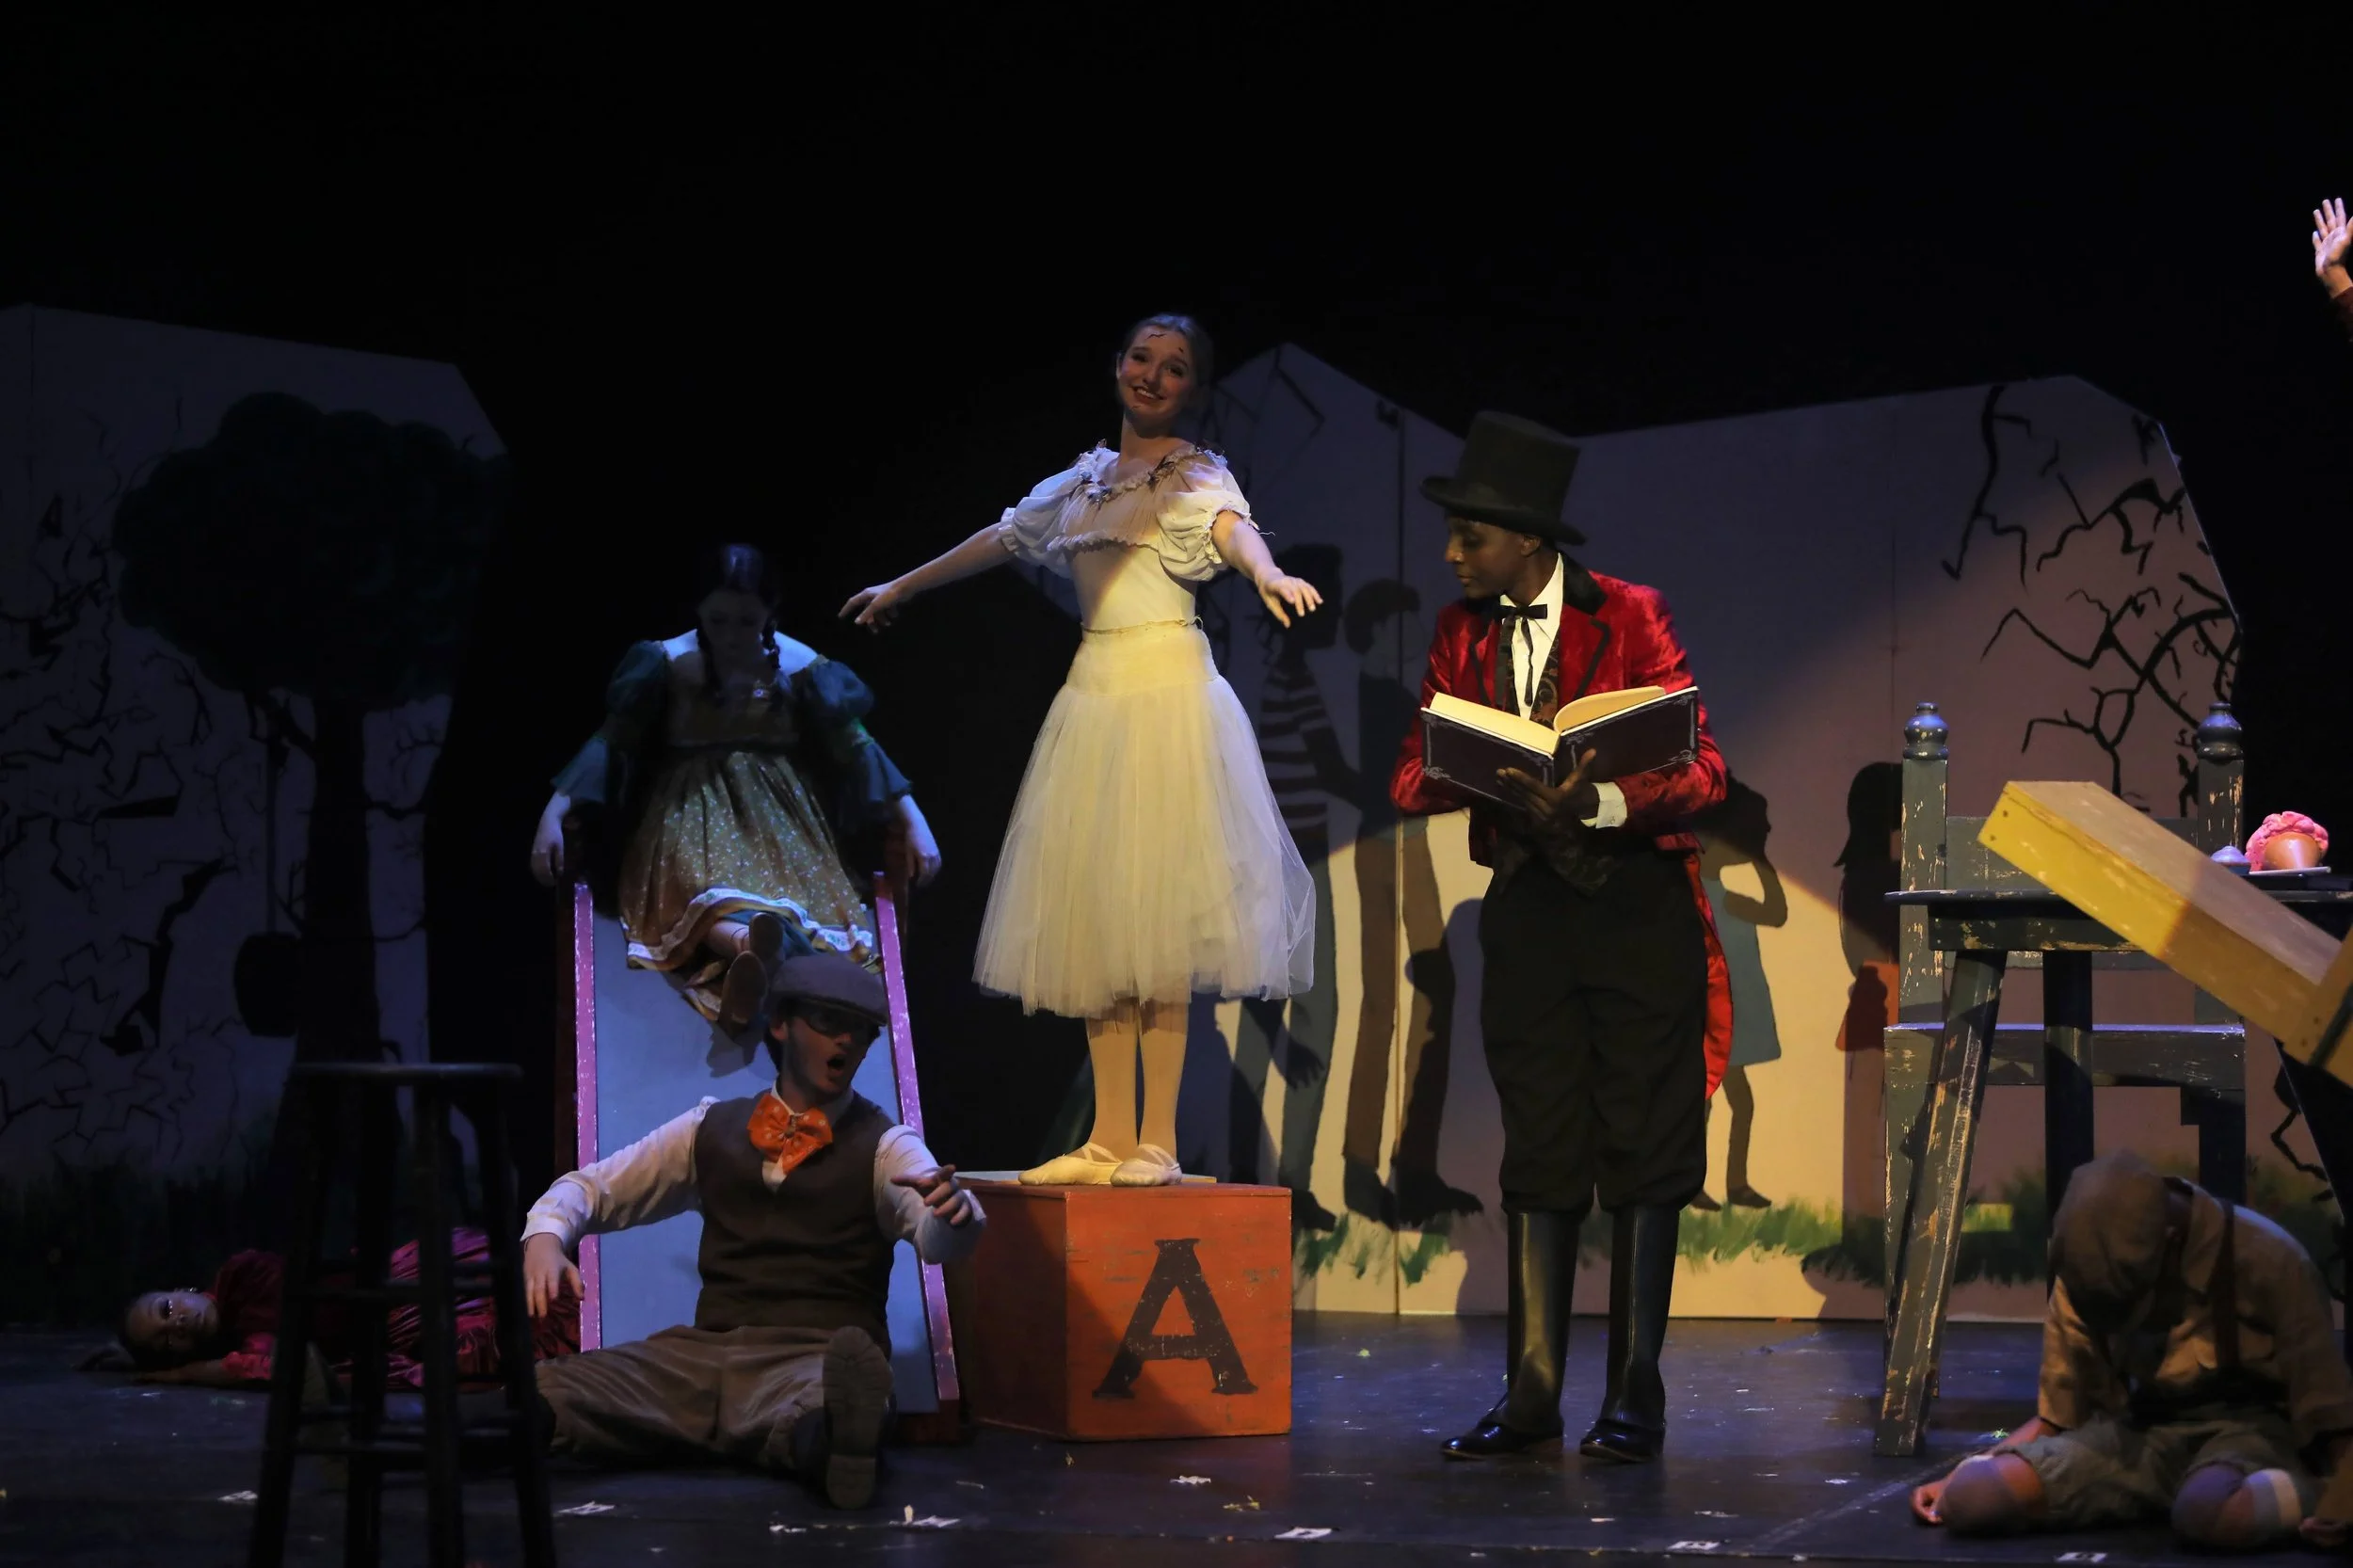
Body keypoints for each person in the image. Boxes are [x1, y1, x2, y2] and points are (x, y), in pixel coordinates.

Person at [840, 313, 1320, 1188]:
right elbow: (1003, 537)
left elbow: (1229, 529)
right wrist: (904, 584)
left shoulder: (1193, 474)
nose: (1152, 375)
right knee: (1102, 924)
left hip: (1167, 699)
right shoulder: (1085, 479)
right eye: (1142, 358)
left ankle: (1157, 1140)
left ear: (1194, 388)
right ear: (1117, 365)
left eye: (1174, 367)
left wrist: (1267, 573)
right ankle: (1108, 1135)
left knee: (1159, 926)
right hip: (1094, 699)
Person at [1389, 411, 1732, 1464]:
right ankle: (1532, 1390)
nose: (1453, 555)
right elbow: (1409, 775)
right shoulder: (1461, 633)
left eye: (1471, 536)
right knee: (1540, 1141)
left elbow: (1704, 771)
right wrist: (1483, 771)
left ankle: (1635, 1395)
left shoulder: (1629, 613)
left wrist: (1600, 800)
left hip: (1634, 905)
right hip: (1531, 908)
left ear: (1528, 539)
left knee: (1645, 1141)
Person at [517, 952, 981, 1510]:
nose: (847, 1041)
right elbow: (594, 1188)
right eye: (829, 1022)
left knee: (821, 1402)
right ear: (781, 1024)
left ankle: (836, 1446)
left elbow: (936, 1235)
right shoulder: (710, 1127)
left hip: (808, 1358)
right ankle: (463, 1429)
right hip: (702, 1357)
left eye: (861, 1031)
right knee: (561, 1387)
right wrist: (546, 1237)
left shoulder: (887, 1145)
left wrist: (954, 1215)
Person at [531, 544, 939, 1034]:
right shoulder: (668, 661)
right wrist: (554, 811)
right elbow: (612, 742)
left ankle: (755, 962)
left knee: (791, 906)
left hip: (781, 820)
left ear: (769, 613)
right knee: (702, 886)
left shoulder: (799, 665)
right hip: (690, 809)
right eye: (718, 620)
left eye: (746, 622)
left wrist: (913, 821)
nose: (730, 634)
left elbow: (857, 747)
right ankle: (751, 949)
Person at [1912, 1149, 2353, 1553]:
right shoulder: (2085, 1266)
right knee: (1973, 1496)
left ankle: (2303, 1493)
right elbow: (2060, 1416)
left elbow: (2328, 1417)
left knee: (2210, 1511)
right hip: (2138, 1439)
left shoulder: (2268, 1259)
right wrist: (1964, 1473)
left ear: (2171, 1241)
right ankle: (2170, 1496)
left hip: (2248, 1436)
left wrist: (2343, 1500)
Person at [102, 1226, 578, 1388]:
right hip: (400, 1332)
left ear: (180, 1289)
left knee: (536, 1300)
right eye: (167, 1340)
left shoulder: (241, 1274)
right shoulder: (236, 1343)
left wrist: (184, 1372)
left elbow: (277, 1358)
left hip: (405, 1288)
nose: (179, 1323)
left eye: (167, 1310)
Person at [1689, 777, 1785, 1212]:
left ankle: (1735, 1183)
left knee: (1737, 1103)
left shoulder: (1726, 900)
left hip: (1732, 1017)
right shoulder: (1700, 899)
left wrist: (1761, 862)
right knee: (1708, 1102)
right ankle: (1699, 1182)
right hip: (1709, 1017)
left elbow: (1776, 913)